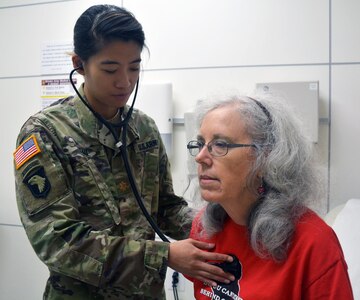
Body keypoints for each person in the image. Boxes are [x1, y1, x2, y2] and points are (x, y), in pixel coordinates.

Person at [13, 4, 234, 299]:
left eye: (134, 67)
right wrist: (164, 255)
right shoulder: (45, 134)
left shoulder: (143, 128)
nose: (125, 81)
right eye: (110, 69)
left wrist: (218, 224)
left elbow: (165, 208)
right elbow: (57, 242)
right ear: (80, 64)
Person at [185, 93, 354, 299]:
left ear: (266, 158)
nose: (201, 157)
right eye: (200, 143)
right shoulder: (204, 228)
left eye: (221, 144)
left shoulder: (313, 244)